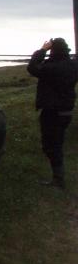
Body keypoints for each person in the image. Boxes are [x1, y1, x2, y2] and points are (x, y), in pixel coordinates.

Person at [27, 38, 78, 189]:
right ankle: (58, 177)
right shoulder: (73, 65)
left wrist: (43, 50)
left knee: (51, 146)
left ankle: (58, 180)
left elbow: (32, 68)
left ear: (53, 51)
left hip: (52, 112)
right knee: (57, 144)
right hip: (66, 111)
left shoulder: (52, 68)